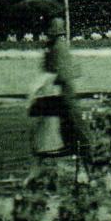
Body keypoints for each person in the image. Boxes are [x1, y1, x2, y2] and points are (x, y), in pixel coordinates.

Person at [30, 15, 88, 161]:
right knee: (66, 118)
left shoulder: (58, 47)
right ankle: (72, 144)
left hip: (64, 88)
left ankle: (83, 147)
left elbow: (62, 72)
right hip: (61, 88)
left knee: (72, 118)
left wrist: (51, 77)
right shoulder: (55, 47)